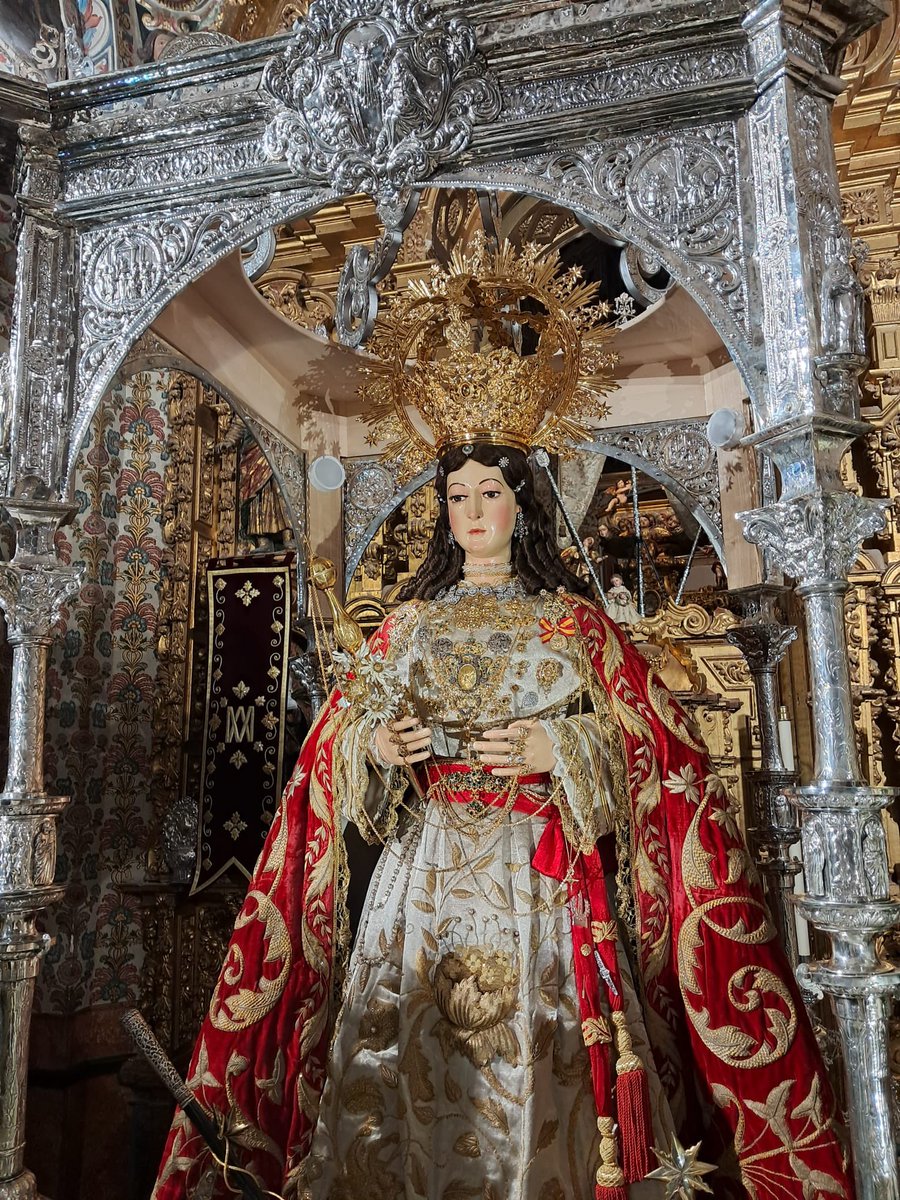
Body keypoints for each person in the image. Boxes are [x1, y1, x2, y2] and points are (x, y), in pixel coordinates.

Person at [153, 242, 851, 1200]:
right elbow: (336, 752)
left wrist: (557, 743)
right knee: (398, 1067)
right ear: (439, 511)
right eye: (455, 495)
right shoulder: (404, 626)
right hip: (422, 879)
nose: (471, 510)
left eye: (490, 492)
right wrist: (379, 748)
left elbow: (658, 757)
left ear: (524, 504)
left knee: (535, 1059)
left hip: (534, 878)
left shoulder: (576, 625)